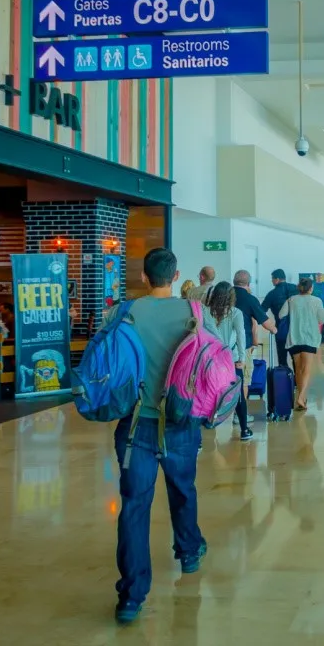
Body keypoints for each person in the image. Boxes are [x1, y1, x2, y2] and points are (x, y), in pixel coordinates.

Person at [110, 248, 216, 623]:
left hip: (136, 424)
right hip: (180, 422)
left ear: (143, 277)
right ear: (175, 277)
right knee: (183, 490)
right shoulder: (194, 313)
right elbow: (214, 361)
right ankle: (188, 550)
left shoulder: (123, 312)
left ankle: (132, 596)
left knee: (134, 506)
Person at [208, 282, 251, 441]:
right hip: (231, 361)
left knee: (210, 393)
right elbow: (241, 335)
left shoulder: (206, 312)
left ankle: (208, 425)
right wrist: (241, 357)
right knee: (238, 395)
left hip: (211, 360)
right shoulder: (236, 313)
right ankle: (245, 430)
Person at [279, 277, 324, 411]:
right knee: (307, 369)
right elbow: (322, 319)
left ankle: (302, 399)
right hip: (310, 338)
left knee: (298, 369)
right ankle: (301, 397)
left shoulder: (291, 300)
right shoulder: (317, 301)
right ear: (311, 289)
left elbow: (281, 315)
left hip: (294, 338)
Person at [233, 270, 277, 366]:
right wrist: (274, 329)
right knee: (245, 375)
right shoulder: (250, 299)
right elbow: (266, 322)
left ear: (233, 281)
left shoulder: (224, 295)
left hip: (222, 344)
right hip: (243, 344)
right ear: (248, 283)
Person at [261, 269, 299, 368]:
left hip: (281, 329)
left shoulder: (272, 294)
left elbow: (261, 311)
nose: (272, 281)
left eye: (272, 279)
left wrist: (269, 325)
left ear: (277, 279)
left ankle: (284, 380)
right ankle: (297, 381)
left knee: (282, 358)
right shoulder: (296, 289)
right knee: (296, 358)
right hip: (297, 329)